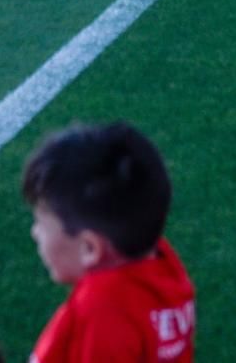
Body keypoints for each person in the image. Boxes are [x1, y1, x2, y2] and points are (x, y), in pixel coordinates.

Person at [23, 123, 195, 363]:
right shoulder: (163, 266)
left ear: (89, 249)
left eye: (40, 223)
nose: (35, 233)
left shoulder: (102, 313)